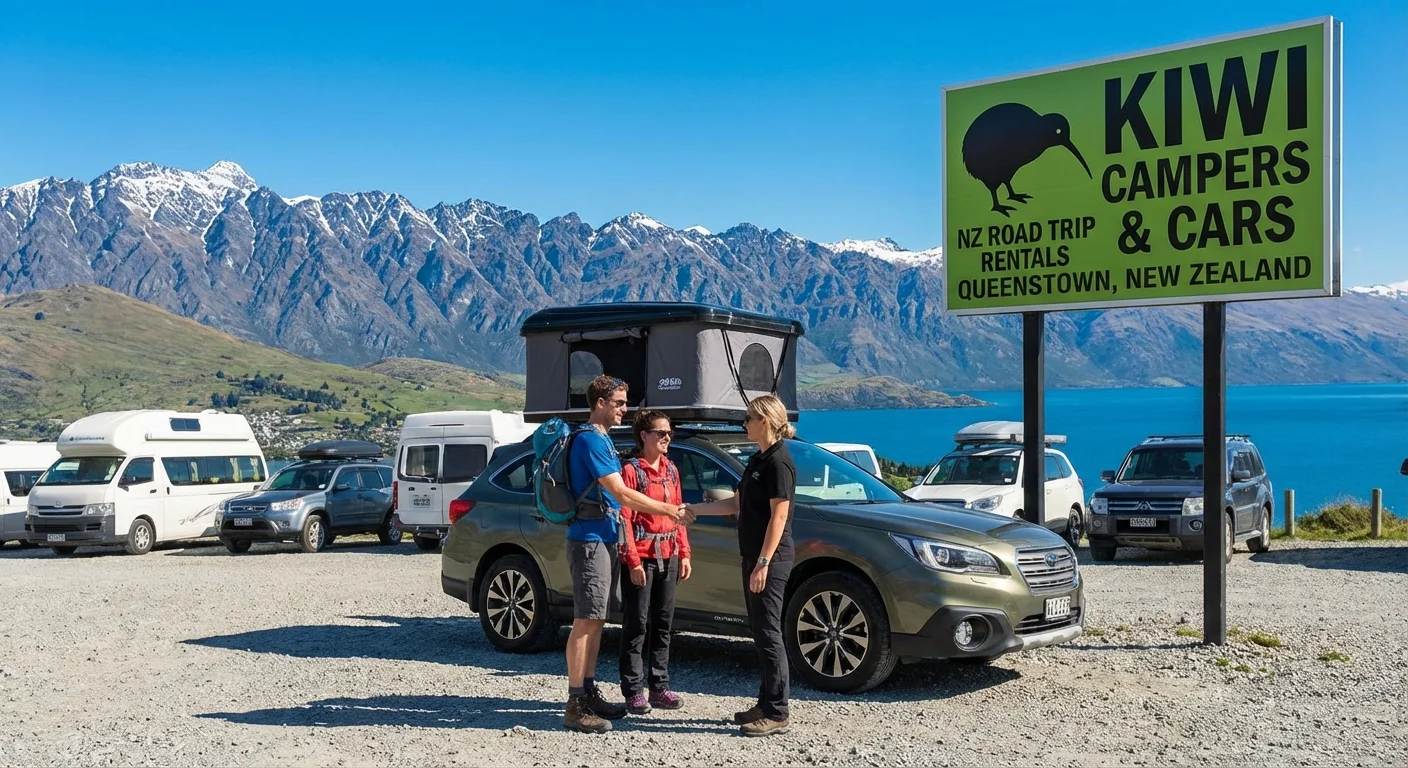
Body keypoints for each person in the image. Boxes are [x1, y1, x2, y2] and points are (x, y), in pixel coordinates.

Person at [563, 375, 687, 734]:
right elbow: (623, 495)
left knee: (597, 618)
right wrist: (669, 511)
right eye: (618, 402)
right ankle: (576, 703)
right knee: (586, 620)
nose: (624, 409)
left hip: (601, 537)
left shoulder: (600, 440)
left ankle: (588, 691)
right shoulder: (590, 440)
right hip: (588, 538)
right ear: (600, 403)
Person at [684, 393, 797, 737]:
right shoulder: (759, 459)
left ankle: (778, 711)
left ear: (765, 420)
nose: (744, 423)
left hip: (771, 560)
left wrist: (763, 563)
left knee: (769, 632)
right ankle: (765, 702)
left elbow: (780, 516)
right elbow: (735, 503)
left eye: (749, 418)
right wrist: (693, 510)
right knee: (760, 632)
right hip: (752, 557)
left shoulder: (780, 462)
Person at [617, 409, 691, 715]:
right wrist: (632, 562)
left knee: (663, 625)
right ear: (644, 435)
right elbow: (624, 519)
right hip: (642, 558)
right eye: (661, 433)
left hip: (669, 555)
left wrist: (684, 552)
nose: (667, 438)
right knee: (637, 625)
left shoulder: (672, 470)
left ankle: (659, 687)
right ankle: (633, 690)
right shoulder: (631, 472)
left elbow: (679, 514)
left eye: (669, 433)